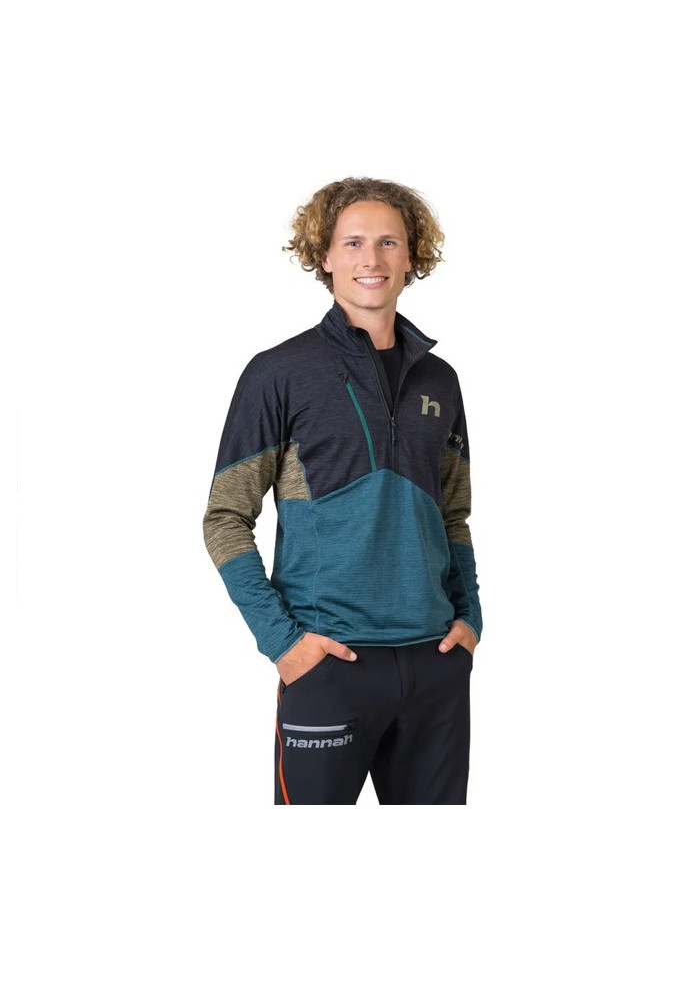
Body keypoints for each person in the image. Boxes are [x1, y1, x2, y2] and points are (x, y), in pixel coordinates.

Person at [202, 176, 482, 805]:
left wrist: (470, 618)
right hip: (329, 662)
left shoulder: (441, 380)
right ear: (324, 256)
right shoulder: (279, 372)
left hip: (436, 661)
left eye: (389, 242)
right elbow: (225, 517)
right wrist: (282, 642)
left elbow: (453, 516)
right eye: (352, 242)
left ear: (412, 256)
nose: (371, 258)